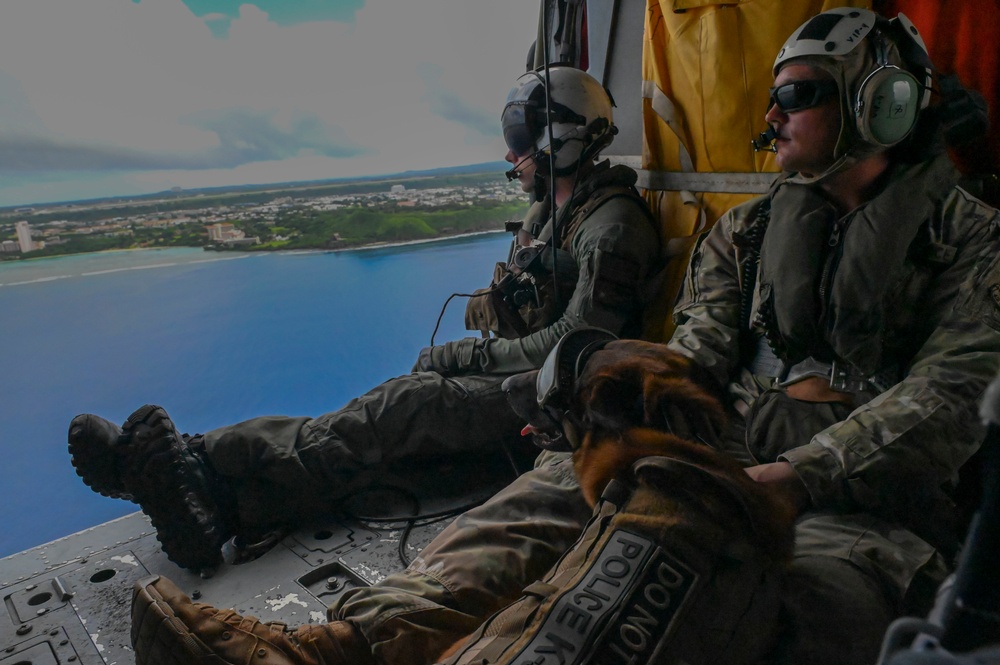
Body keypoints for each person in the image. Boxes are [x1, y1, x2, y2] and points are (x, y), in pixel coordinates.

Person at [128, 8, 1000, 665]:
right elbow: (697, 350)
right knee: (548, 495)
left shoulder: (976, 243)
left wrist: (791, 478)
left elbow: (949, 401)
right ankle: (339, 647)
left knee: (709, 587)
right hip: (725, 450)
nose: (770, 117)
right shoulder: (746, 233)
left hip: (864, 513)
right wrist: (623, 406)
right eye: (771, 96)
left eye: (795, 97)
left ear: (881, 106)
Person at [68, 65, 660, 571]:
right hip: (527, 381)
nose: (510, 152)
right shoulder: (553, 215)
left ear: (559, 137)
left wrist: (463, 355)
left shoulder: (612, 226)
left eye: (520, 137)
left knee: (401, 407)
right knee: (387, 405)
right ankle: (195, 467)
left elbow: (582, 344)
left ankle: (205, 490)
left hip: (564, 401)